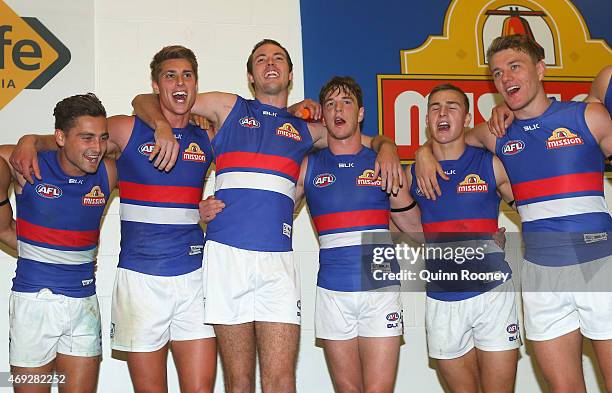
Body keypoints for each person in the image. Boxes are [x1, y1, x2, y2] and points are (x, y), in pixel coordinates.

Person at [132, 39, 403, 393]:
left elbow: (355, 136)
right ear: (250, 75)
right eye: (261, 59)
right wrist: (162, 127)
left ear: (290, 75)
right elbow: (148, 100)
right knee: (239, 382)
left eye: (278, 58)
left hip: (277, 261)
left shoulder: (309, 128)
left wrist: (389, 147)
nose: (269, 63)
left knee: (280, 380)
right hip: (227, 257)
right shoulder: (228, 107)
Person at [9, 46, 217, 393]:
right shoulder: (125, 129)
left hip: (194, 278)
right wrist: (30, 140)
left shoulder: (207, 134)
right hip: (139, 280)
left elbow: (253, 147)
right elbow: (73, 144)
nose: (179, 82)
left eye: (187, 75)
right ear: (156, 84)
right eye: (170, 75)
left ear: (196, 83)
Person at [414, 35, 612, 393]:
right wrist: (423, 151)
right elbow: (450, 138)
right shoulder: (494, 135)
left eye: (515, 67)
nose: (505, 78)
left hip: (598, 265)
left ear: (541, 69)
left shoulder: (587, 115)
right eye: (497, 73)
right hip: (540, 276)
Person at [293, 76, 421, 392]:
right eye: (331, 104)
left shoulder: (382, 163)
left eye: (347, 102)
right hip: (333, 291)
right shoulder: (307, 166)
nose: (339, 110)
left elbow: (417, 230)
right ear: (322, 114)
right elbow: (269, 213)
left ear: (360, 113)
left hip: (380, 289)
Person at [407, 84, 520, 393]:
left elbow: (533, 209)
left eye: (452, 107)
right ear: (427, 120)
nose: (443, 113)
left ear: (467, 119)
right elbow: (405, 223)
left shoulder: (491, 163)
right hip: (443, 300)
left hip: (494, 295)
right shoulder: (410, 175)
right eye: (435, 108)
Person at [0, 93, 115, 393]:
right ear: (60, 138)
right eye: (86, 138)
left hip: (83, 304)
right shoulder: (30, 165)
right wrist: (30, 142)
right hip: (34, 305)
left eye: (102, 138)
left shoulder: (108, 171)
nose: (97, 148)